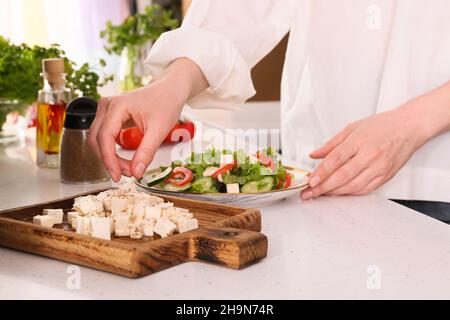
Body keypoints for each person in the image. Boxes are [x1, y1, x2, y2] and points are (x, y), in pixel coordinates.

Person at [88, 0, 450, 217]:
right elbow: (243, 9)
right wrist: (173, 82)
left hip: (439, 185)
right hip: (319, 175)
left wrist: (411, 124)